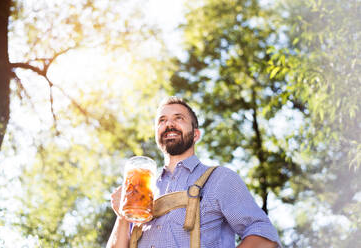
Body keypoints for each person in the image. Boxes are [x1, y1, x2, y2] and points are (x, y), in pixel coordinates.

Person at [106, 96, 282, 248]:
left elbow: (264, 235)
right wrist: (122, 216)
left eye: (179, 118)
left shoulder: (220, 179)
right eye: (162, 120)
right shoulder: (143, 192)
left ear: (196, 134)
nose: (169, 124)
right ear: (157, 134)